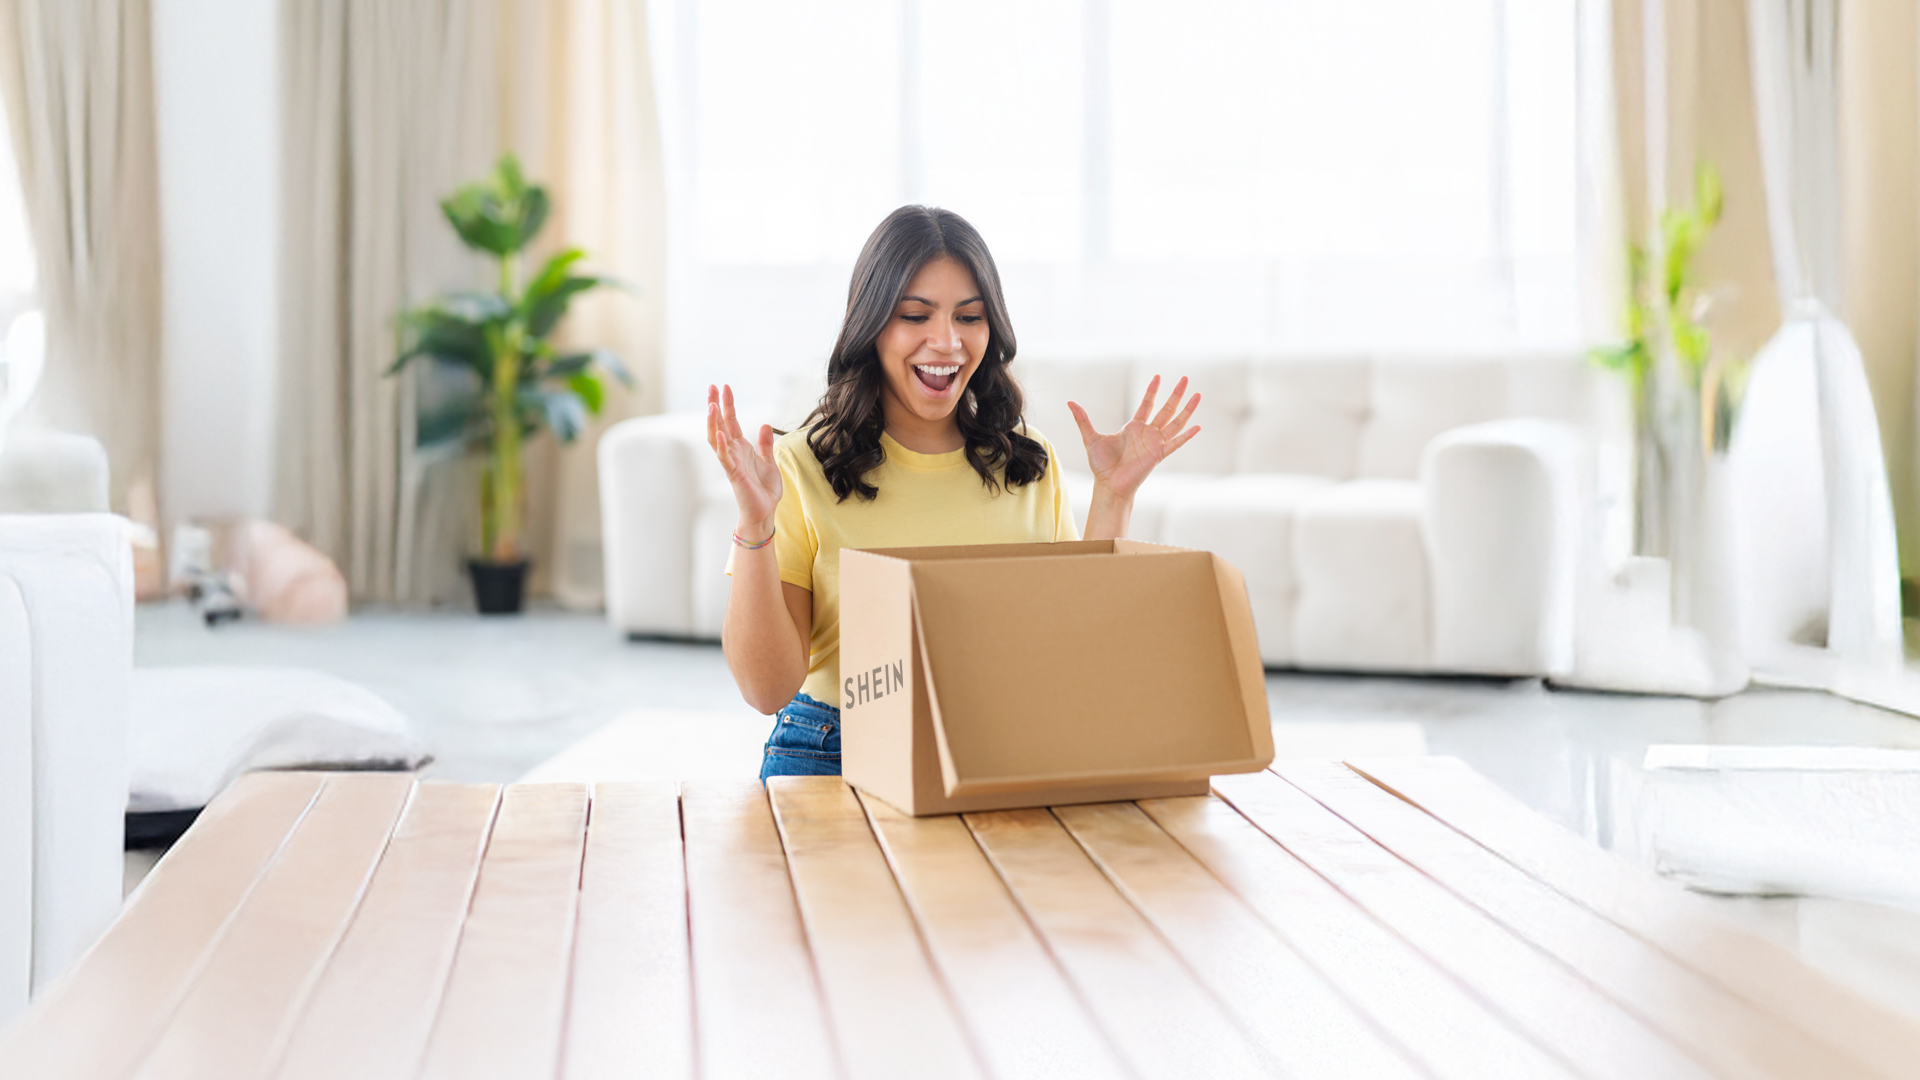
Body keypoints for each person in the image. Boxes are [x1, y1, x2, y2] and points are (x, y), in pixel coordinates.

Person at [706, 205, 1202, 779]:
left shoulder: (1025, 463)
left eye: (969, 317)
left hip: (995, 742)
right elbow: (767, 690)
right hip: (835, 748)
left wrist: (1114, 497)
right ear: (871, 326)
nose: (947, 342)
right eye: (916, 315)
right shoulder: (798, 466)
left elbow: (1073, 653)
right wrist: (755, 524)